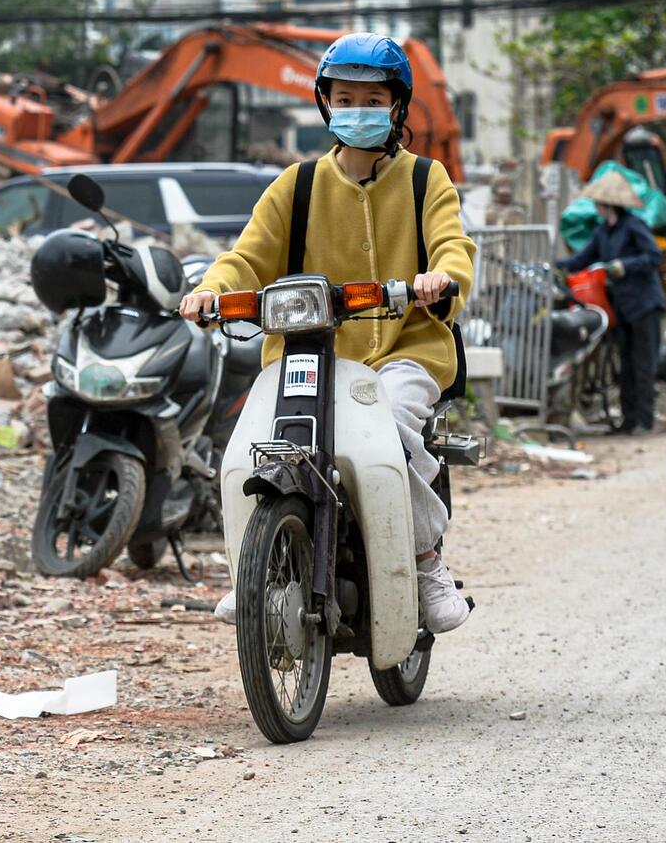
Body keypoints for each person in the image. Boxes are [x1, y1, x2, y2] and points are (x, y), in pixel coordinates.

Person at [179, 34, 478, 634]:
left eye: (373, 98)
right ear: (325, 104)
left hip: (405, 349)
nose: (358, 109)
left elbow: (452, 242)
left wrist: (440, 278)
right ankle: (252, 570)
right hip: (305, 353)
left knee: (390, 429)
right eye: (345, 97)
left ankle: (423, 562)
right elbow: (247, 256)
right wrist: (212, 288)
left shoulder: (426, 178)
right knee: (252, 445)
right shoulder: (297, 185)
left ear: (397, 107)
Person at [558, 173, 665, 433]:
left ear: (608, 205)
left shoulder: (633, 226)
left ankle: (644, 420)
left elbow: (653, 256)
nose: (595, 207)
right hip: (622, 308)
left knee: (643, 364)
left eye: (598, 203)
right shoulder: (603, 232)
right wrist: (557, 267)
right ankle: (628, 420)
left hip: (644, 305)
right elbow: (582, 259)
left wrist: (623, 266)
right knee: (625, 364)